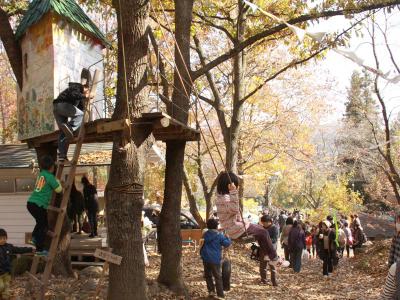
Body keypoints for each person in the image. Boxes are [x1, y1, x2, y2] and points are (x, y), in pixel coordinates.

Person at [27, 155, 62, 255]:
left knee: (41, 223)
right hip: (39, 205)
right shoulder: (50, 177)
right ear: (52, 167)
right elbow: (59, 190)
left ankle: (34, 237)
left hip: (31, 203)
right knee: (43, 226)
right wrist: (58, 181)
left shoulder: (41, 174)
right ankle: (39, 249)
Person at [53, 69, 91, 160]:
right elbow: (74, 94)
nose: (86, 94)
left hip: (57, 109)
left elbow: (80, 109)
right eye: (87, 91)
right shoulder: (77, 87)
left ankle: (62, 155)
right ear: (86, 88)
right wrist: (86, 96)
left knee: (64, 133)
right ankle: (70, 128)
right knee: (80, 115)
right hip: (61, 105)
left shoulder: (79, 97)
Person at [200, 219, 231, 299]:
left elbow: (211, 233)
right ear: (217, 226)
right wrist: (228, 238)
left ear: (207, 226)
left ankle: (211, 292)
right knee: (217, 277)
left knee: (208, 276)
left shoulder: (205, 233)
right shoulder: (219, 235)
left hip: (205, 257)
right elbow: (226, 244)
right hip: (215, 259)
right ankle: (220, 295)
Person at [0, 229, 34, 299]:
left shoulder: (9, 247)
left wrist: (30, 249)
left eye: (4, 238)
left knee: (7, 287)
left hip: (7, 272)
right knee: (1, 286)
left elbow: (19, 249)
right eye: (0, 238)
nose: (2, 240)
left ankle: (5, 297)